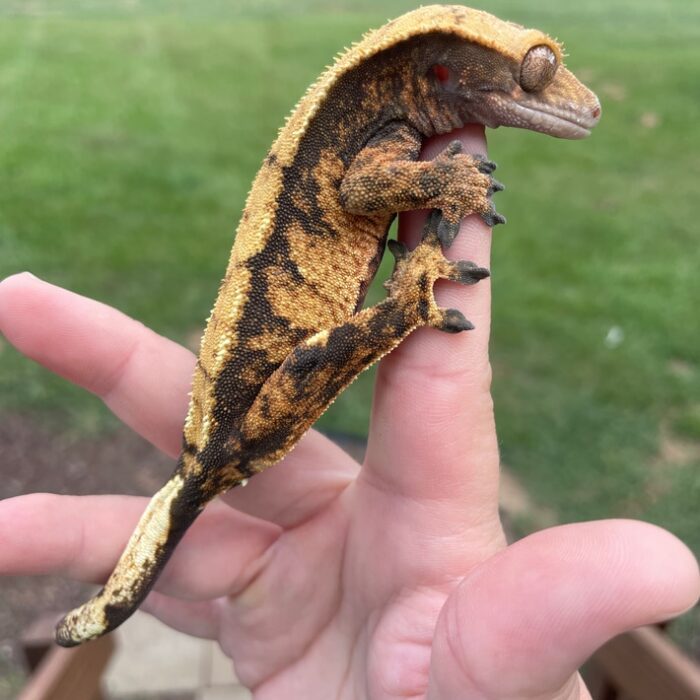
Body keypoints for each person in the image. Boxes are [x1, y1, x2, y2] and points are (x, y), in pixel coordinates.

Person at [0, 125, 697, 699]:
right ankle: (410, 302)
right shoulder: (376, 126)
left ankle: (110, 603)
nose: (572, 105)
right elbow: (364, 189)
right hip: (254, 390)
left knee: (186, 490)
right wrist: (439, 203)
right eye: (537, 75)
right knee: (202, 474)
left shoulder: (380, 125)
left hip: (241, 400)